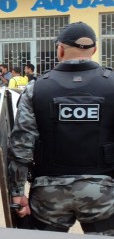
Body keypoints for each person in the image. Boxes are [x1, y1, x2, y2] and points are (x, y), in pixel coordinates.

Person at [8, 21, 114, 236]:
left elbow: (20, 145)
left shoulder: (35, 89)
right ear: (94, 50)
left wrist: (16, 193)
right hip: (104, 192)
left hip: (48, 192)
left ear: (60, 49)